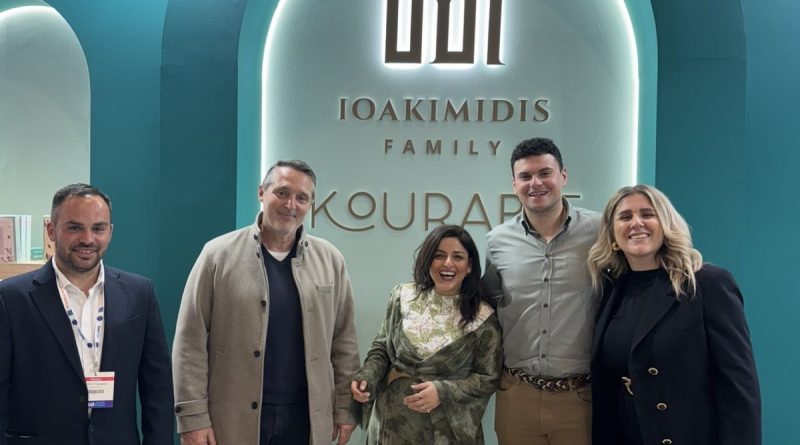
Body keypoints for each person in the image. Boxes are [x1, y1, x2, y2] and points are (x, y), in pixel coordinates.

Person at [173, 159, 360, 445]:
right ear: (261, 193)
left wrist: (346, 408)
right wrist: (193, 417)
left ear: (310, 204)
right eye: (282, 193)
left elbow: (344, 342)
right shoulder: (217, 255)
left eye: (302, 198)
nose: (290, 205)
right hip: (231, 419)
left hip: (307, 419)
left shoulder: (331, 260)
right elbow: (190, 341)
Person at [587, 184, 761, 445]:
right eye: (625, 217)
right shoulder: (610, 289)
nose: (636, 223)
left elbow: (739, 384)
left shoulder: (707, 284)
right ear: (612, 233)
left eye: (648, 214)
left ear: (666, 224)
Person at [0, 183, 174, 445]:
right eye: (74, 228)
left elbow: (157, 387)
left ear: (110, 232)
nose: (87, 239)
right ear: (51, 230)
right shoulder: (11, 297)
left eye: (98, 228)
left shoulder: (139, 293)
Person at [482, 137, 600, 445]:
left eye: (544, 173)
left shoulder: (600, 231)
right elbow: (488, 309)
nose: (535, 183)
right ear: (514, 184)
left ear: (563, 176)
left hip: (581, 398)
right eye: (525, 176)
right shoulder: (497, 241)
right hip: (517, 396)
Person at [351, 224, 502, 445]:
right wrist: (367, 377)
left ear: (469, 266)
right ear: (428, 260)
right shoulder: (402, 296)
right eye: (439, 255)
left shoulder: (483, 317)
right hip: (391, 423)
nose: (447, 263)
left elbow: (488, 378)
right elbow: (382, 348)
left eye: (458, 257)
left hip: (445, 432)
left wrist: (443, 392)